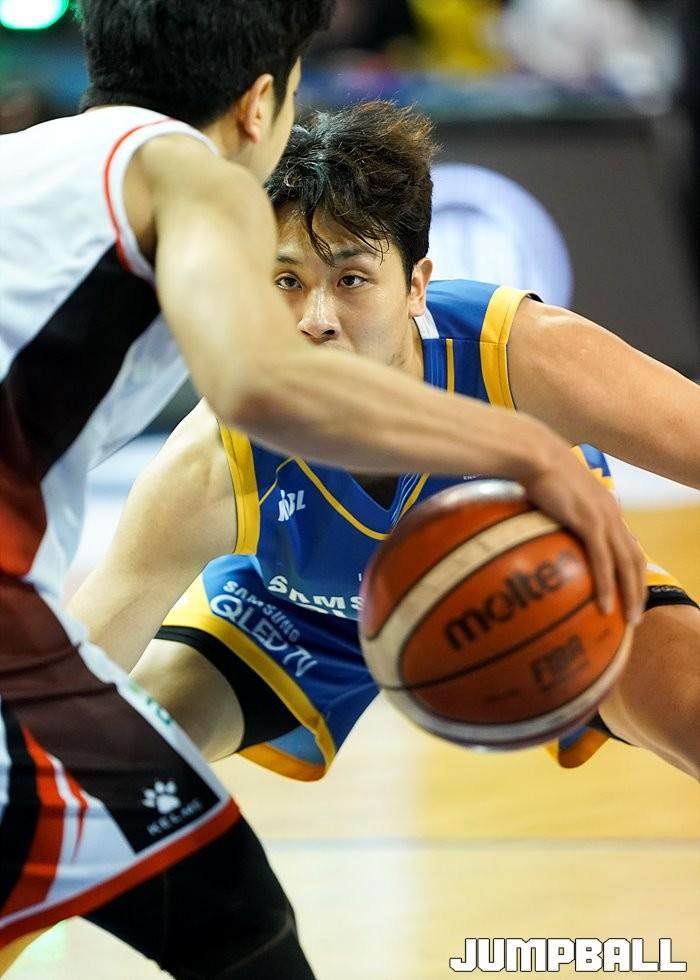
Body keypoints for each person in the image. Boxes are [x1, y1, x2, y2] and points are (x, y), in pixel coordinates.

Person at [0, 2, 646, 975]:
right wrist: (532, 451)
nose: (312, 313)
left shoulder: (25, 162)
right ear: (260, 103)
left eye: (347, 280)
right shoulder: (197, 177)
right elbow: (262, 385)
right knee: (238, 928)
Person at [69, 102, 700, 792]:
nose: (316, 319)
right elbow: (62, 678)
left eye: (351, 280)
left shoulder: (519, 353)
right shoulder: (216, 459)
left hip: (539, 578)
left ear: (416, 286)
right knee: (109, 769)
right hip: (296, 612)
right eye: (287, 281)